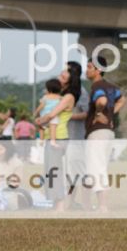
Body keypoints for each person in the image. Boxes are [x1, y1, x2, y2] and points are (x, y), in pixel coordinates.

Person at [84, 55, 126, 212]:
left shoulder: (97, 86)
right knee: (99, 167)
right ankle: (94, 205)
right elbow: (122, 100)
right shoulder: (111, 86)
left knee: (97, 168)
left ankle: (102, 206)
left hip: (98, 133)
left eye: (89, 67)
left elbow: (101, 101)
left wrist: (98, 113)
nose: (86, 70)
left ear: (98, 70)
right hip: (108, 132)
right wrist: (111, 115)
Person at [36, 66, 81, 210]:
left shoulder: (68, 97)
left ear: (70, 79)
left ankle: (60, 206)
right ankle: (57, 204)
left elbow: (52, 114)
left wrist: (39, 121)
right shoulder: (60, 96)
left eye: (65, 74)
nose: (61, 75)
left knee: (55, 171)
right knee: (50, 171)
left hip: (59, 136)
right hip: (52, 136)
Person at [65, 60, 90, 208]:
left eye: (66, 71)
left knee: (80, 173)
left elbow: (87, 113)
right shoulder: (66, 91)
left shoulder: (82, 92)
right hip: (66, 139)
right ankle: (69, 203)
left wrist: (69, 117)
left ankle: (87, 205)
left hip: (76, 138)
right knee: (69, 174)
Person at [35, 80, 63, 147]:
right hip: (52, 116)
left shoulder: (45, 97)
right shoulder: (60, 98)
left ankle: (41, 140)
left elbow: (41, 106)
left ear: (48, 89)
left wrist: (36, 112)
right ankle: (52, 141)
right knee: (53, 126)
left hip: (43, 117)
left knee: (41, 128)